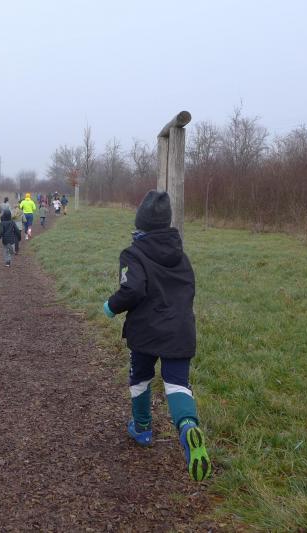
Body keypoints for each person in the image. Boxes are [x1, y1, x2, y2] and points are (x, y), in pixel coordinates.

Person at [102, 190, 211, 481]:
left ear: (141, 223)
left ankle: (142, 429)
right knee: (177, 383)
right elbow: (188, 289)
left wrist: (111, 306)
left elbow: (132, 289)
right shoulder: (181, 256)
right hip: (180, 331)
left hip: (146, 332)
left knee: (140, 378)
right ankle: (188, 427)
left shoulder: (133, 253)